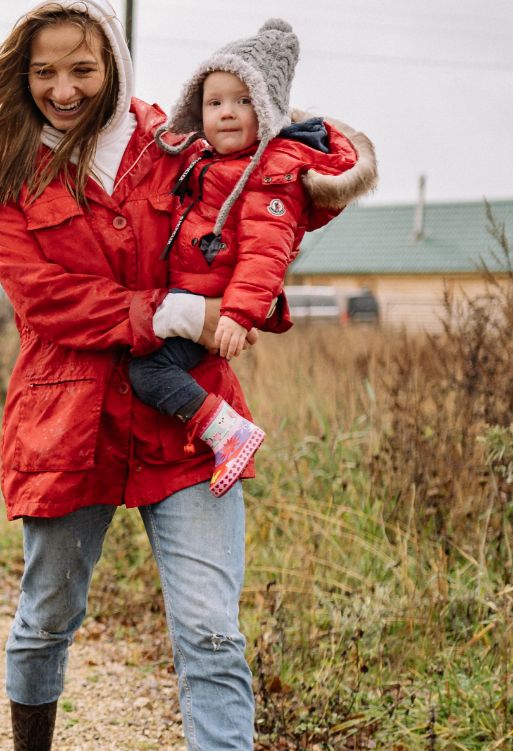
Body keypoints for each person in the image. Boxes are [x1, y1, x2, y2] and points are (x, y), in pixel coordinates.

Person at [0, 0, 297, 751]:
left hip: (185, 422)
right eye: (46, 73)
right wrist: (167, 313)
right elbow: (51, 303)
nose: (62, 90)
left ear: (115, 67)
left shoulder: (171, 143)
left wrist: (317, 177)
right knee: (49, 610)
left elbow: (254, 200)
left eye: (82, 71)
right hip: (71, 420)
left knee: (211, 630)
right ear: (24, 76)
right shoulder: (4, 179)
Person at [131, 18, 376, 497]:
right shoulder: (212, 164)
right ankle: (212, 432)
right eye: (214, 102)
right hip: (191, 296)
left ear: (266, 110)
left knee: (148, 371)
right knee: (144, 363)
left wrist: (238, 315)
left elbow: (267, 252)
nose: (227, 112)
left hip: (216, 307)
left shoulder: (269, 176)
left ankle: (228, 432)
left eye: (244, 101)